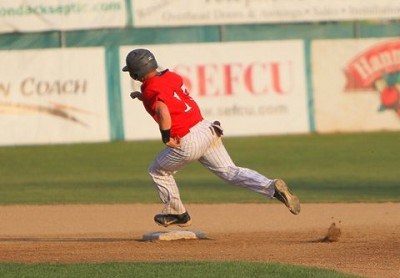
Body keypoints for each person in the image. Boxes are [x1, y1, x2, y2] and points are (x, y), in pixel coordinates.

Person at [122, 48, 301, 227]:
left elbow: (163, 110)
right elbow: (170, 97)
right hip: (207, 129)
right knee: (230, 171)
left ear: (136, 73)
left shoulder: (151, 88)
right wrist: (143, 97)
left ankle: (177, 212)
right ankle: (272, 187)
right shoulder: (170, 76)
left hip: (188, 140)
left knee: (158, 170)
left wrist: (166, 137)